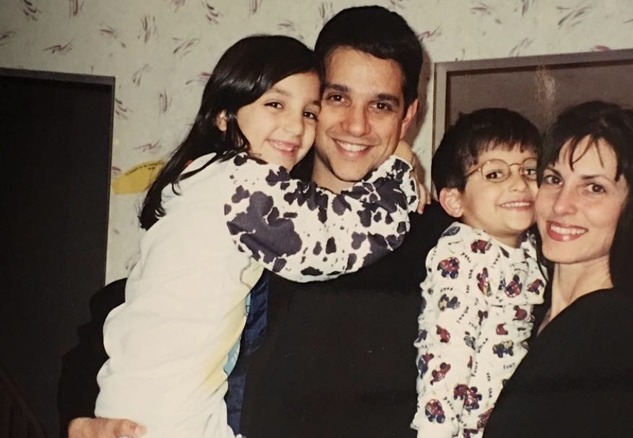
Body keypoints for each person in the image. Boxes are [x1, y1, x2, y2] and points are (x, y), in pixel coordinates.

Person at [65, 6, 449, 438]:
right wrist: (81, 420)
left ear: (409, 116)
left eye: (380, 105)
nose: (355, 125)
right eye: (336, 98)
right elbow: (119, 319)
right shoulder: (256, 203)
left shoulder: (438, 242)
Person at [483, 100, 633, 437]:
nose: (561, 205)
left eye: (594, 188)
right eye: (553, 179)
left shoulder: (616, 329)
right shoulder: (536, 317)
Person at [411, 108, 546, 438]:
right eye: (495, 174)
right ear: (455, 201)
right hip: (466, 427)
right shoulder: (464, 252)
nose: (520, 183)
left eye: (530, 171)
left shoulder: (531, 248)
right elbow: (447, 352)